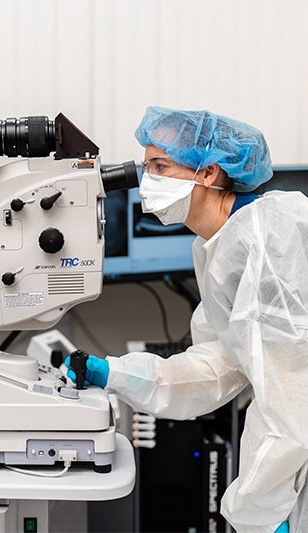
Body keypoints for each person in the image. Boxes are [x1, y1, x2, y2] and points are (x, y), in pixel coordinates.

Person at [65, 107, 308, 533]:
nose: (147, 182)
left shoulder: (268, 237)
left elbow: (292, 403)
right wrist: (116, 375)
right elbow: (218, 365)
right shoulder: (219, 245)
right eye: (146, 168)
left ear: (210, 172)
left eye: (161, 166)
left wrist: (258, 514)